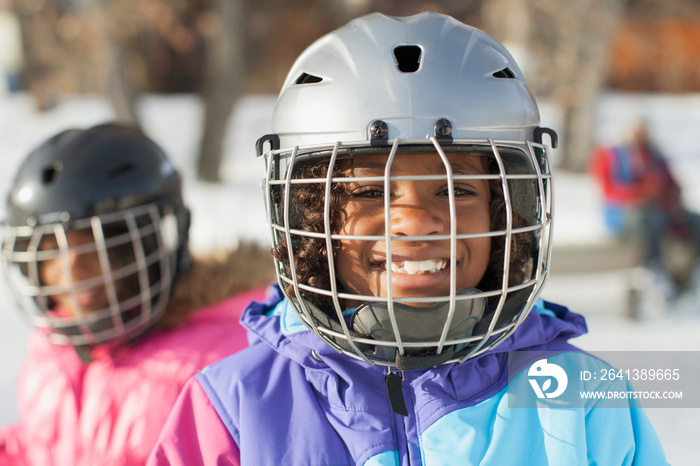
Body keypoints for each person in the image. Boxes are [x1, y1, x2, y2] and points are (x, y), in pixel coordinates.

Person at [148, 12, 667, 465]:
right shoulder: (234, 408)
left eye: (457, 188)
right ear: (311, 219)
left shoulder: (581, 404)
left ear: (512, 208)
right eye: (372, 190)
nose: (416, 222)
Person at [0, 123, 274, 465]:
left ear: (149, 244)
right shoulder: (54, 348)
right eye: (51, 248)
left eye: (96, 245)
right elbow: (42, 444)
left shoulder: (230, 358)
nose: (71, 268)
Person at [590, 121, 700, 300]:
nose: (641, 136)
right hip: (625, 213)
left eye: (644, 132)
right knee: (650, 220)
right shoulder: (611, 154)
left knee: (695, 220)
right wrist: (640, 193)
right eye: (637, 132)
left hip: (662, 210)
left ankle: (691, 273)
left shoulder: (655, 155)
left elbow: (672, 182)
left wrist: (672, 195)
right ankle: (654, 270)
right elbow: (607, 189)